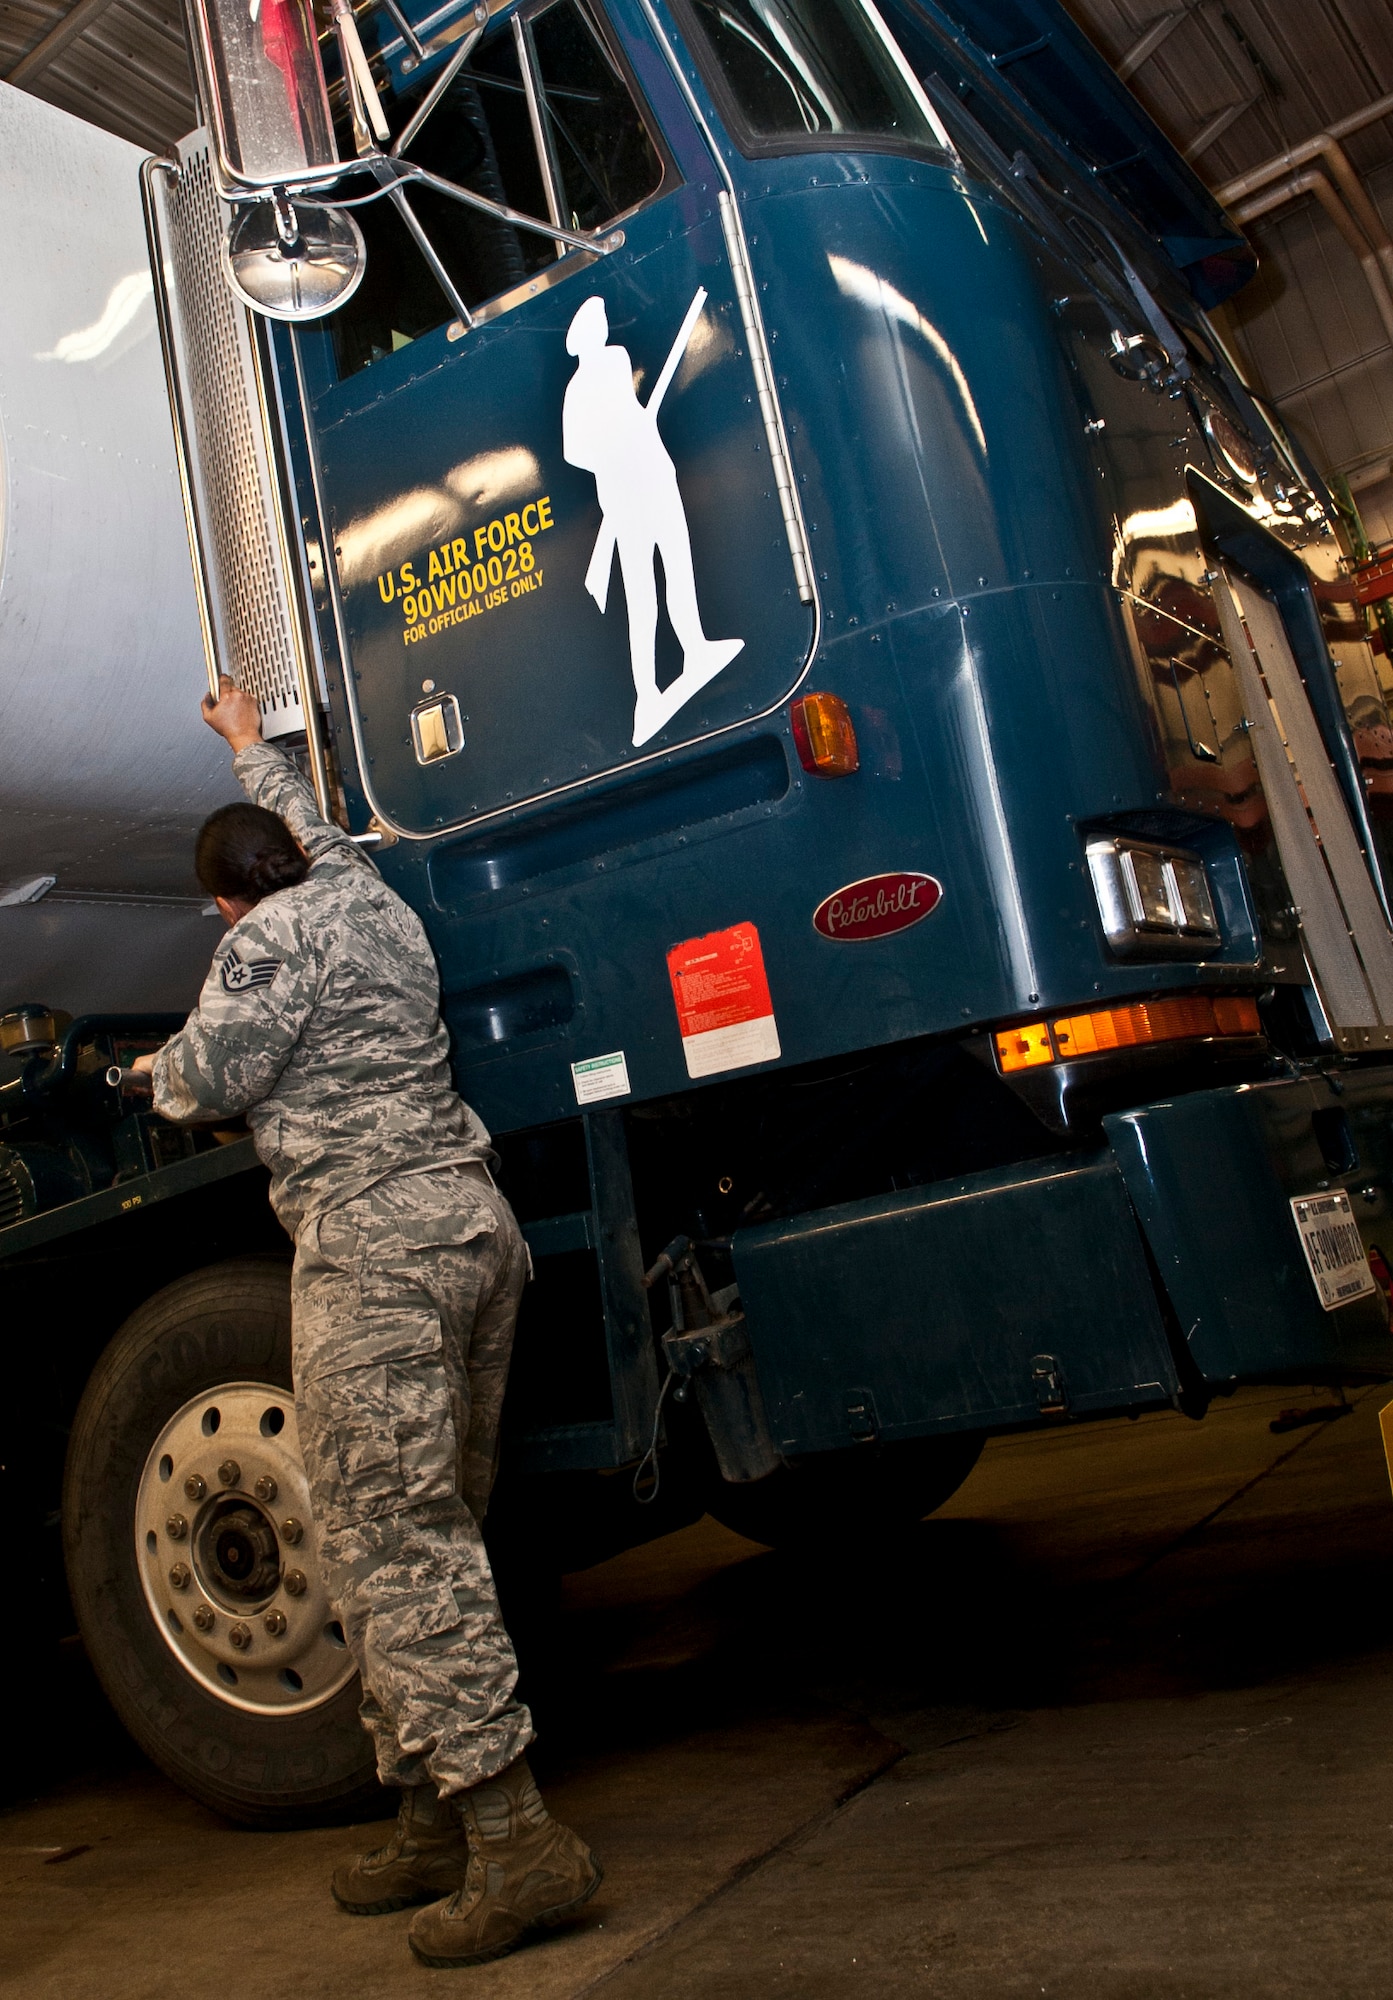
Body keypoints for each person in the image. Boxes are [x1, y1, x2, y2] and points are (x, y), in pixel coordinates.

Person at [134, 675, 601, 1968]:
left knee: (393, 1546)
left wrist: (142, 1071)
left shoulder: (262, 943)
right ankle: (426, 1816)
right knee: (418, 1522)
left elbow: (205, 1079)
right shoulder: (363, 894)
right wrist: (247, 744)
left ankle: (516, 1844)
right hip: (470, 1228)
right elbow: (300, 818)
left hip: (374, 1254)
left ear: (226, 903)